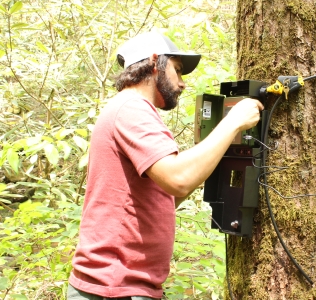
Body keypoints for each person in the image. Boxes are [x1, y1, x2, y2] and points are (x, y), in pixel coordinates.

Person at [67, 31, 264, 299]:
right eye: (178, 70)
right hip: (114, 286)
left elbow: (167, 196)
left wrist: (215, 151)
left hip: (119, 285)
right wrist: (234, 121)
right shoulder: (132, 108)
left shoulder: (127, 109)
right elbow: (178, 179)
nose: (182, 84)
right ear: (154, 61)